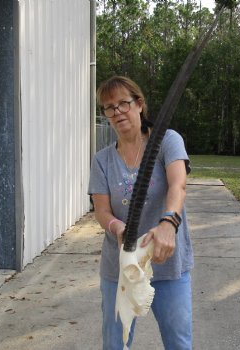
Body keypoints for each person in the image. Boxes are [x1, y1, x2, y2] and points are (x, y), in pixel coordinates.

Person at [88, 76, 194, 350]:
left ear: (139, 104)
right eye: (109, 107)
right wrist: (117, 228)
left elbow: (178, 185)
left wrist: (169, 222)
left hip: (166, 261)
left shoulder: (167, 141)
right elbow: (101, 210)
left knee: (179, 343)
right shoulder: (102, 160)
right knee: (115, 345)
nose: (117, 112)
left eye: (123, 103)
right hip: (121, 267)